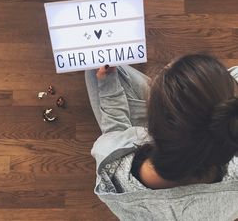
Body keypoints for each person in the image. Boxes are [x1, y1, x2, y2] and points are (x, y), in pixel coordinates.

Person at [85, 54, 238, 221]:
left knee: (92, 67)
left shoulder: (113, 167)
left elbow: (115, 130)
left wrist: (108, 85)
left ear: (149, 127)